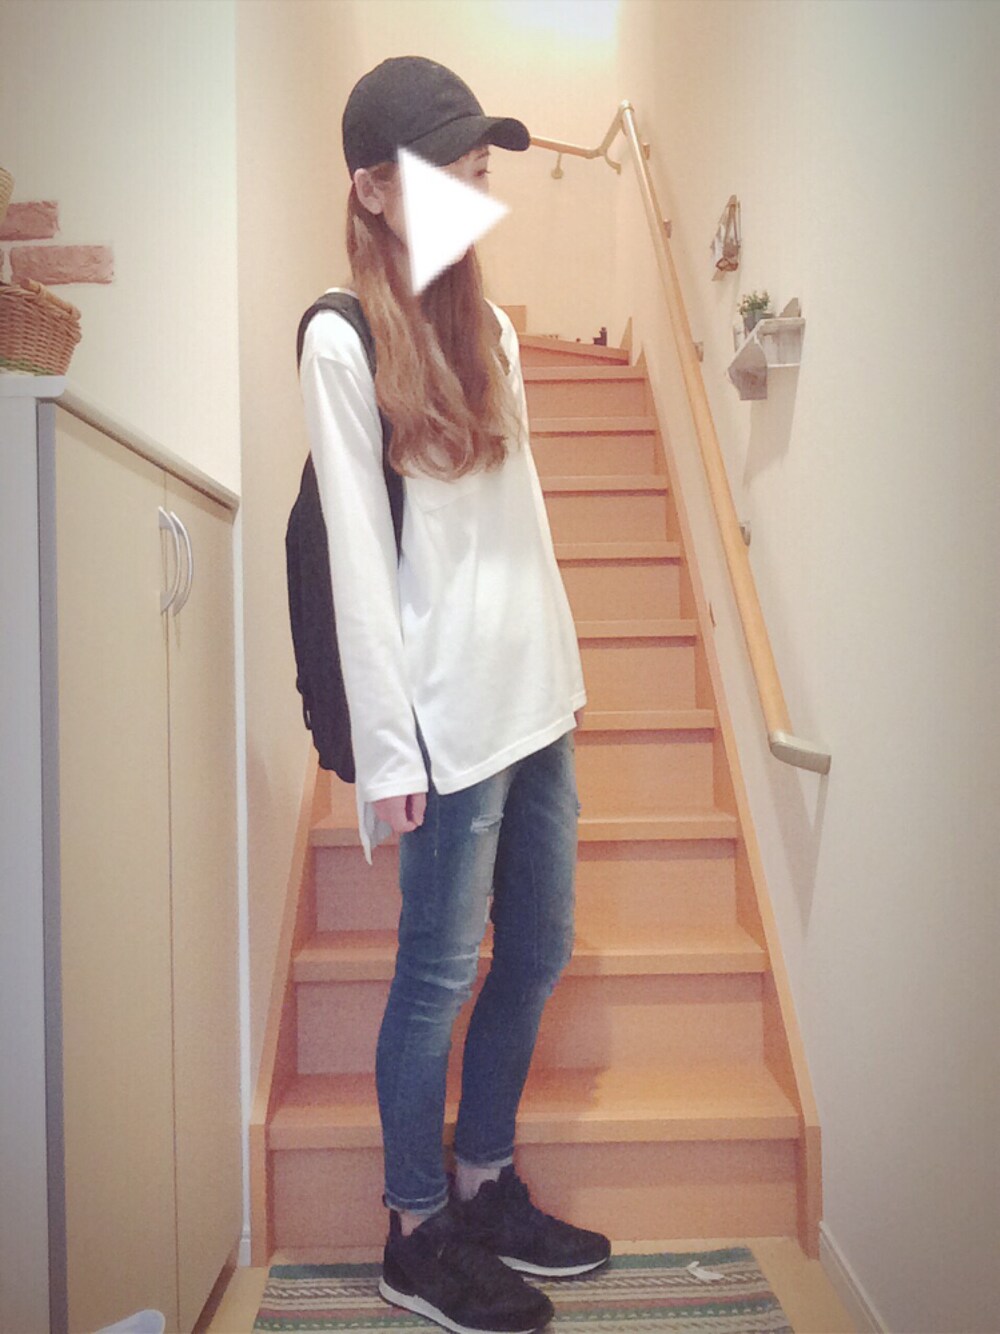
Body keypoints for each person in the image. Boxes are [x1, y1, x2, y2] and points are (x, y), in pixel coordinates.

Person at [299, 55, 610, 1334]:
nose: (474, 196)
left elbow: (518, 524)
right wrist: (389, 754)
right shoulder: (342, 335)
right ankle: (414, 1229)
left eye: (479, 174)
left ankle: (483, 1183)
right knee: (435, 973)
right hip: (446, 719)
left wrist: (565, 676)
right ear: (372, 188)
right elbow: (357, 564)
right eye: (449, 174)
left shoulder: (489, 330)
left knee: (535, 949)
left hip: (535, 697)